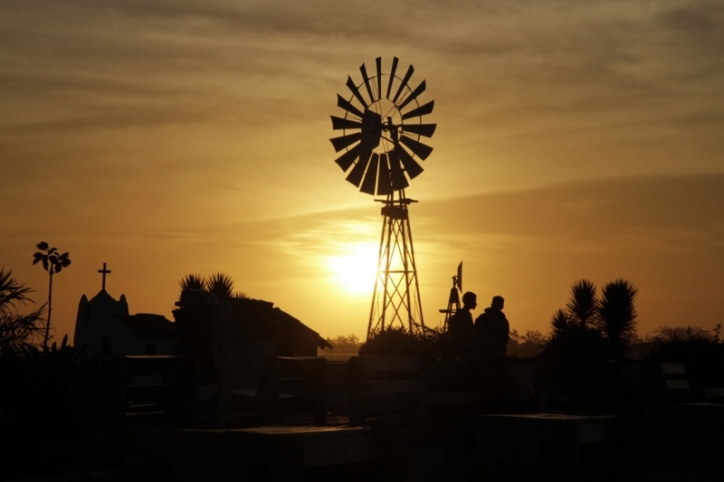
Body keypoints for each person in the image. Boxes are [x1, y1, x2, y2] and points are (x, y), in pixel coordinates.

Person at [447, 291, 477, 362]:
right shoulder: (464, 315)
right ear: (469, 301)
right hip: (463, 348)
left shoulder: (465, 314)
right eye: (474, 301)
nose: (475, 303)